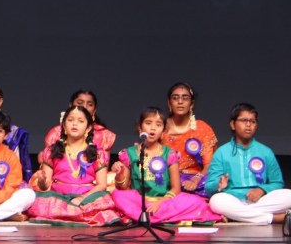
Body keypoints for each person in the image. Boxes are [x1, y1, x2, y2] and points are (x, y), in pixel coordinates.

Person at [110, 106, 220, 224]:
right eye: (148, 123)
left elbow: (176, 188)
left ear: (163, 131)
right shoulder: (129, 153)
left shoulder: (170, 154)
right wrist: (120, 174)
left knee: (196, 202)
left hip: (164, 202)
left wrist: (159, 203)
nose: (153, 128)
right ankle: (155, 216)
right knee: (118, 195)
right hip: (139, 202)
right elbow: (123, 188)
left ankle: (145, 216)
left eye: (158, 125)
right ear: (140, 127)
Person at [27, 106, 122, 226]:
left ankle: (69, 213)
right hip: (59, 198)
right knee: (41, 202)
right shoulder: (52, 151)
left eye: (80, 121)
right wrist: (41, 181)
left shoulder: (98, 153)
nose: (74, 124)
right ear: (64, 126)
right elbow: (45, 186)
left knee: (102, 202)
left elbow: (102, 185)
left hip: (87, 199)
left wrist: (82, 198)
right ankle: (74, 214)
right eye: (70, 120)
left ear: (88, 128)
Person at [205, 103, 291, 231]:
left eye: (253, 121)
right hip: (233, 200)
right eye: (244, 120)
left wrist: (261, 190)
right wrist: (218, 184)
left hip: (261, 201)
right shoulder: (221, 152)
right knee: (216, 201)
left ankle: (237, 216)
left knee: (289, 195)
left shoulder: (265, 152)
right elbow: (208, 187)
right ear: (233, 124)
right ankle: (274, 218)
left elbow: (277, 183)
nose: (248, 124)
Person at [160, 82, 217, 197]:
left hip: (196, 180)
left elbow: (209, 165)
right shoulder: (160, 127)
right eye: (175, 98)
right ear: (169, 103)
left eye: (185, 98)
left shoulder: (202, 128)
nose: (180, 101)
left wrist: (196, 179)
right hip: (166, 179)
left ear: (192, 104)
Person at [39, 89, 115, 165]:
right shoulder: (55, 133)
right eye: (80, 103)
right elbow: (48, 165)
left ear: (94, 110)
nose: (85, 107)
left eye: (90, 104)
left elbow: (104, 167)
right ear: (71, 106)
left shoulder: (105, 136)